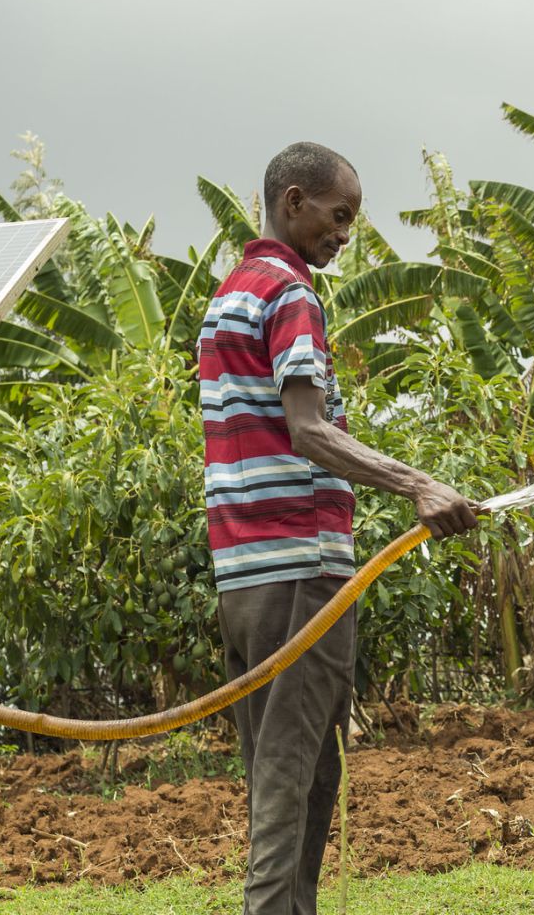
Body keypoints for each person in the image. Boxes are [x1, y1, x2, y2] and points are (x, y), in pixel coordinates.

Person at [199, 141, 476, 914]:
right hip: (301, 567)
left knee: (297, 772)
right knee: (291, 779)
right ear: (294, 201)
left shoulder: (232, 292)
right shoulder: (292, 293)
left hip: (244, 573)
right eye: (338, 214)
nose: (346, 233)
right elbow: (309, 429)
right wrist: (418, 483)